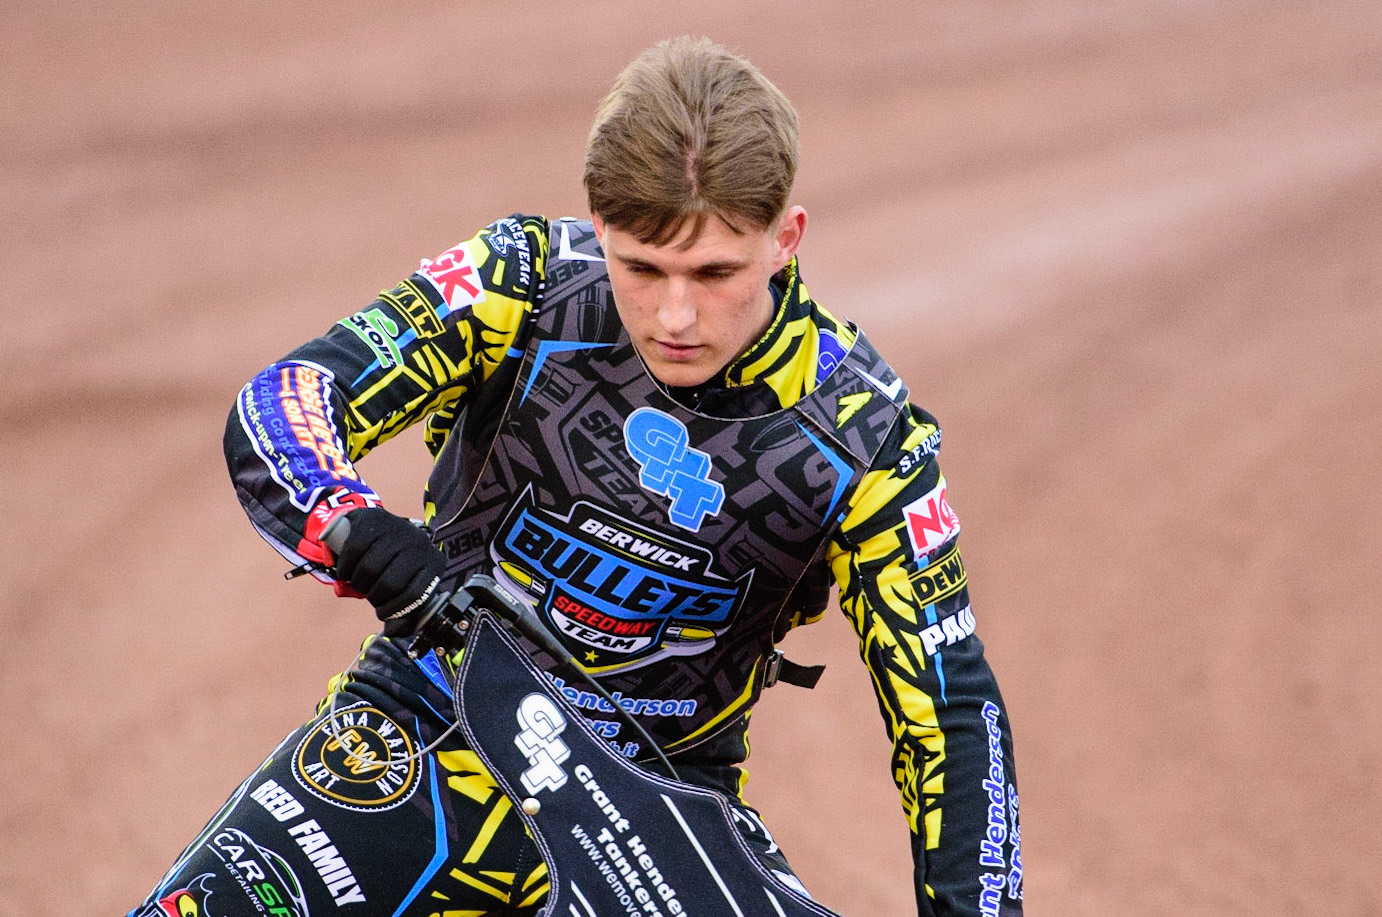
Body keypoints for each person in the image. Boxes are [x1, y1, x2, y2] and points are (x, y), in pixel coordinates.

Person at [129, 36, 1022, 917]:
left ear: (785, 237)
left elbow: (950, 712)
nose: (676, 314)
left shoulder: (867, 434)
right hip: (420, 735)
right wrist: (356, 525)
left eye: (715, 272)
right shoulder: (521, 281)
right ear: (599, 223)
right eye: (643, 267)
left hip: (661, 808)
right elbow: (284, 400)